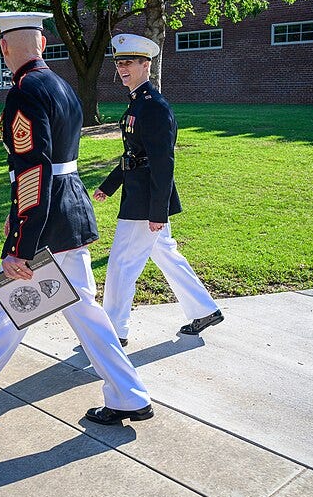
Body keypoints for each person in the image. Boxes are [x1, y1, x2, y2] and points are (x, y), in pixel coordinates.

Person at [0, 13, 153, 426]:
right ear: (42, 45)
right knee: (36, 308)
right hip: (67, 207)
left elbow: (34, 171)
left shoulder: (25, 92)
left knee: (38, 302)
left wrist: (20, 247)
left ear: (4, 48)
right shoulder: (60, 85)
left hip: (47, 219)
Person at [93, 33, 223, 346]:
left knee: (121, 265)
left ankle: (114, 331)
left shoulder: (154, 107)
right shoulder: (139, 102)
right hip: (140, 196)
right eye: (119, 62)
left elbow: (164, 164)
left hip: (145, 203)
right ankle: (205, 310)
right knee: (165, 254)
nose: (122, 68)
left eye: (129, 62)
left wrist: (158, 212)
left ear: (146, 65)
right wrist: (109, 187)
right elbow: (133, 154)